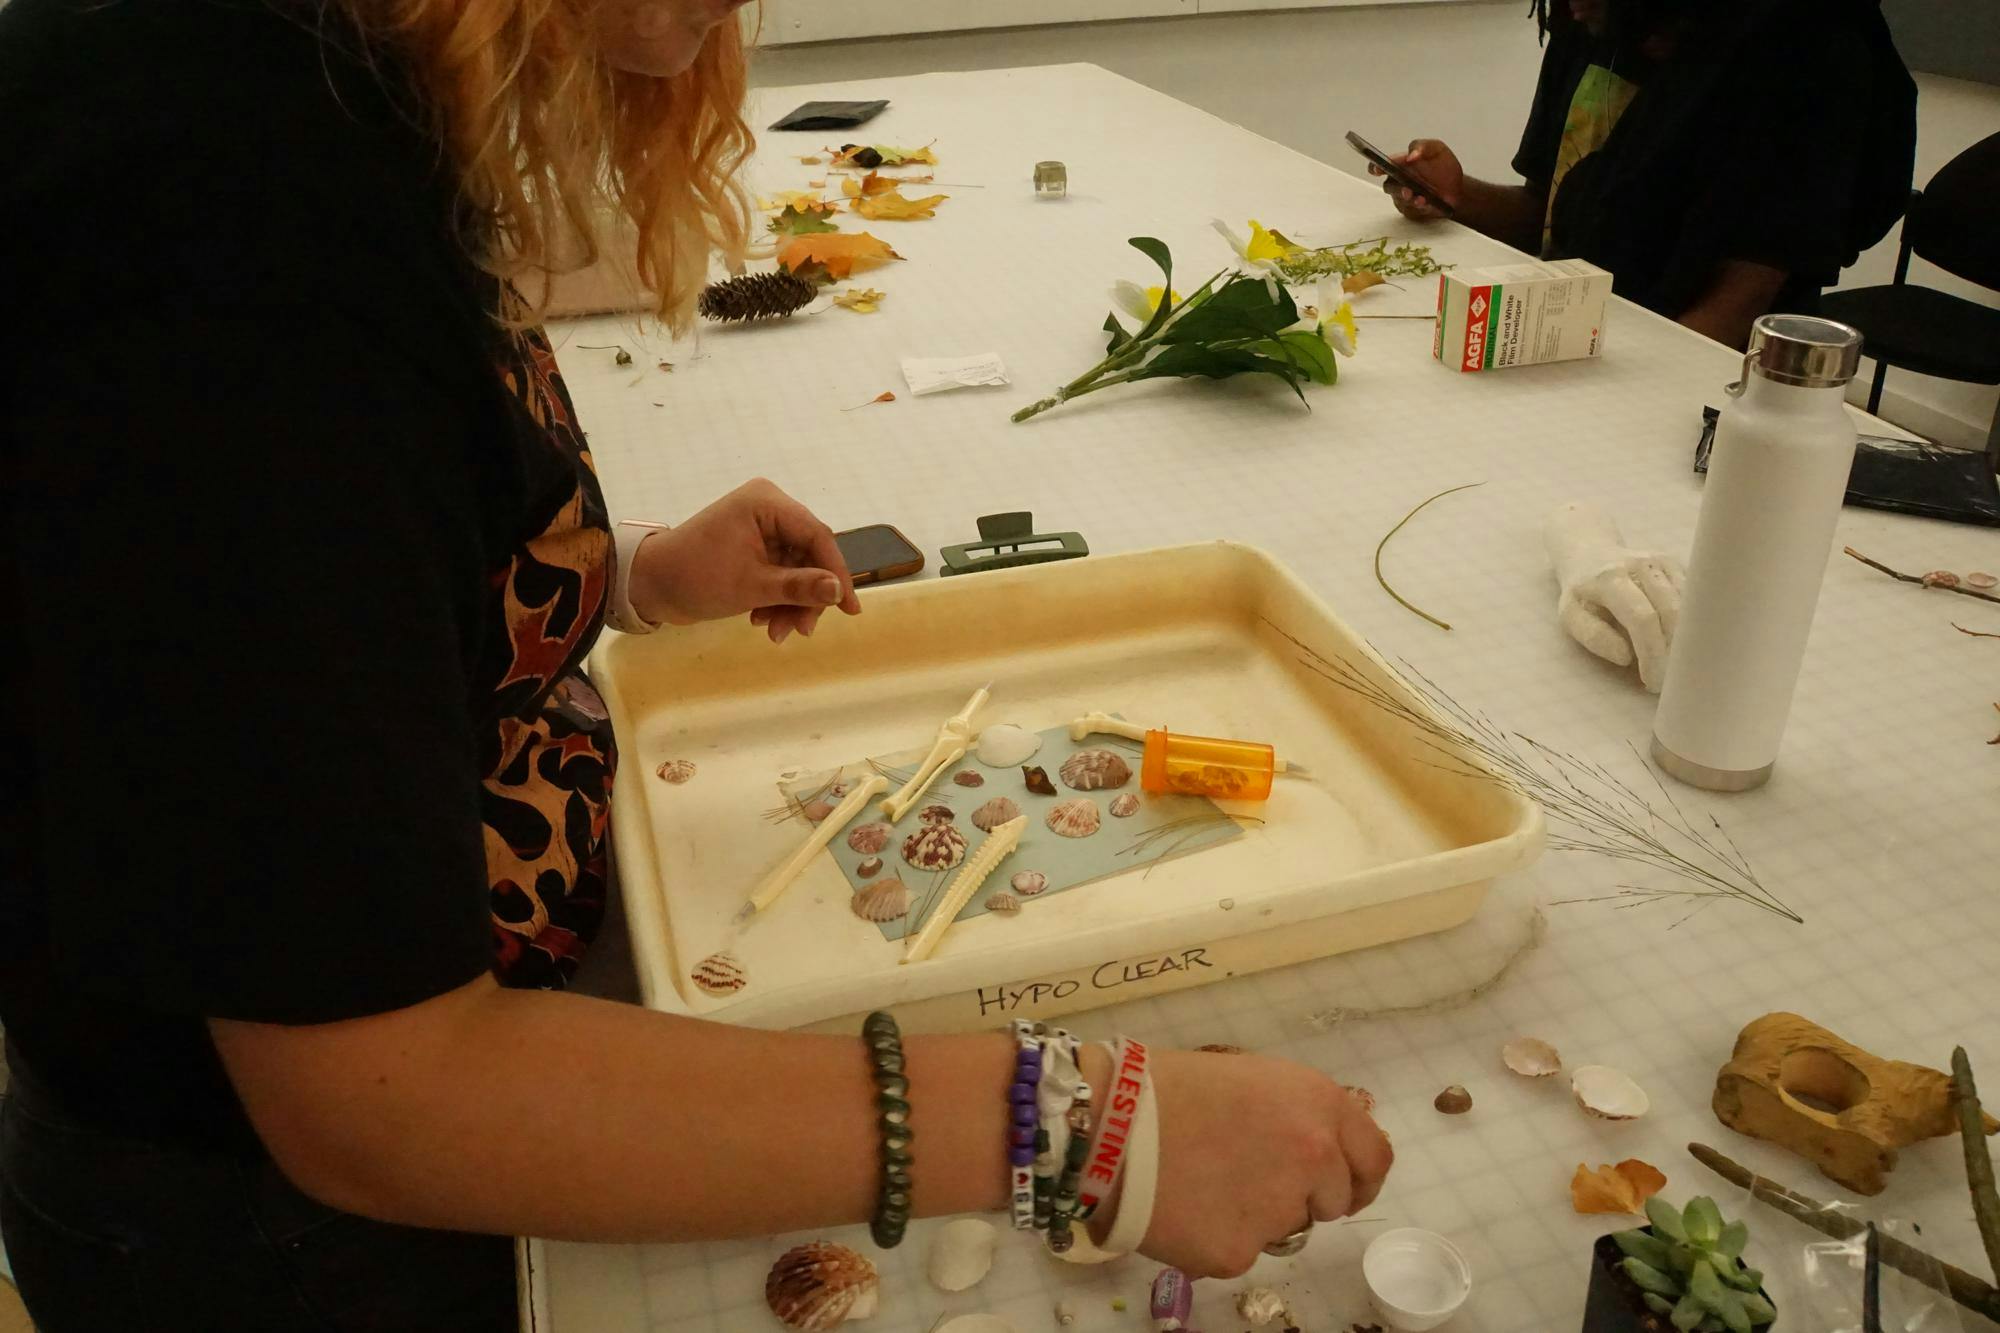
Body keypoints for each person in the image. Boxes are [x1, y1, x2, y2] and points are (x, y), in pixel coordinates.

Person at [0, 0, 1392, 1327]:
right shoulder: (216, 227)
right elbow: (387, 1095)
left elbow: (301, 605)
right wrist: (1086, 1123)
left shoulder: (330, 89)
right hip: (277, 1229)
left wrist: (628, 579)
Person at [1374, 0, 1916, 348]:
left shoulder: (1801, 56)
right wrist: (1457, 195)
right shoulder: (1588, 28)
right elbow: (1547, 216)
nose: (1569, 6)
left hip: (1705, 380)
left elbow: (1734, 310)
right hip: (1571, 338)